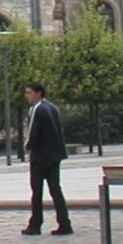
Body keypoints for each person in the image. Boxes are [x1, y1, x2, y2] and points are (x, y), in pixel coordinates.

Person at [21, 82, 72, 236]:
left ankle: (35, 224)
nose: (27, 96)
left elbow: (33, 131)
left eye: (29, 92)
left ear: (38, 93)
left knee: (37, 191)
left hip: (40, 156)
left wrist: (28, 145)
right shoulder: (53, 108)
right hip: (54, 155)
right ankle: (64, 223)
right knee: (56, 190)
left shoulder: (37, 109)